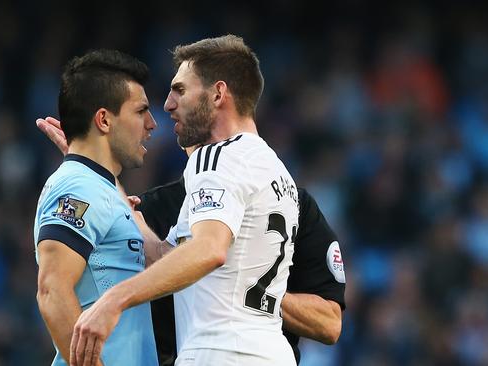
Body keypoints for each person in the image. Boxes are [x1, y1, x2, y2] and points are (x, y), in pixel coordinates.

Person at [37, 118, 346, 366]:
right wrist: (91, 165)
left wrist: (250, 289)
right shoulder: (160, 206)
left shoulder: (293, 205)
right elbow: (157, 255)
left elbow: (329, 323)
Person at [69, 35, 300, 366]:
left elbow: (209, 250)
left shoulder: (217, 158)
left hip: (221, 352)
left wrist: (114, 300)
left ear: (218, 94)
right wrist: (95, 170)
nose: (167, 105)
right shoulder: (276, 172)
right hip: (267, 351)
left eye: (180, 90)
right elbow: (172, 257)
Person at [33, 49, 158, 366]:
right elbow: (51, 291)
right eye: (141, 111)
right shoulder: (79, 187)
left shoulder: (95, 186)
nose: (152, 124)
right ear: (104, 119)